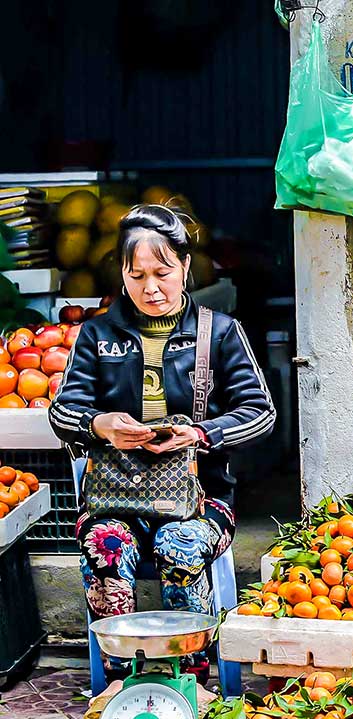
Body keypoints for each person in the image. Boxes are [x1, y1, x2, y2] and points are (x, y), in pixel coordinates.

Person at [49, 204, 275, 682]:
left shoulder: (219, 334)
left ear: (186, 267)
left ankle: (187, 680)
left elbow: (261, 413)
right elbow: (62, 412)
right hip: (115, 500)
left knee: (179, 544)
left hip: (202, 500)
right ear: (123, 275)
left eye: (163, 272)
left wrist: (199, 433)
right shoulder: (97, 334)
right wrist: (100, 424)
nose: (151, 288)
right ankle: (124, 682)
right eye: (137, 275)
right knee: (106, 545)